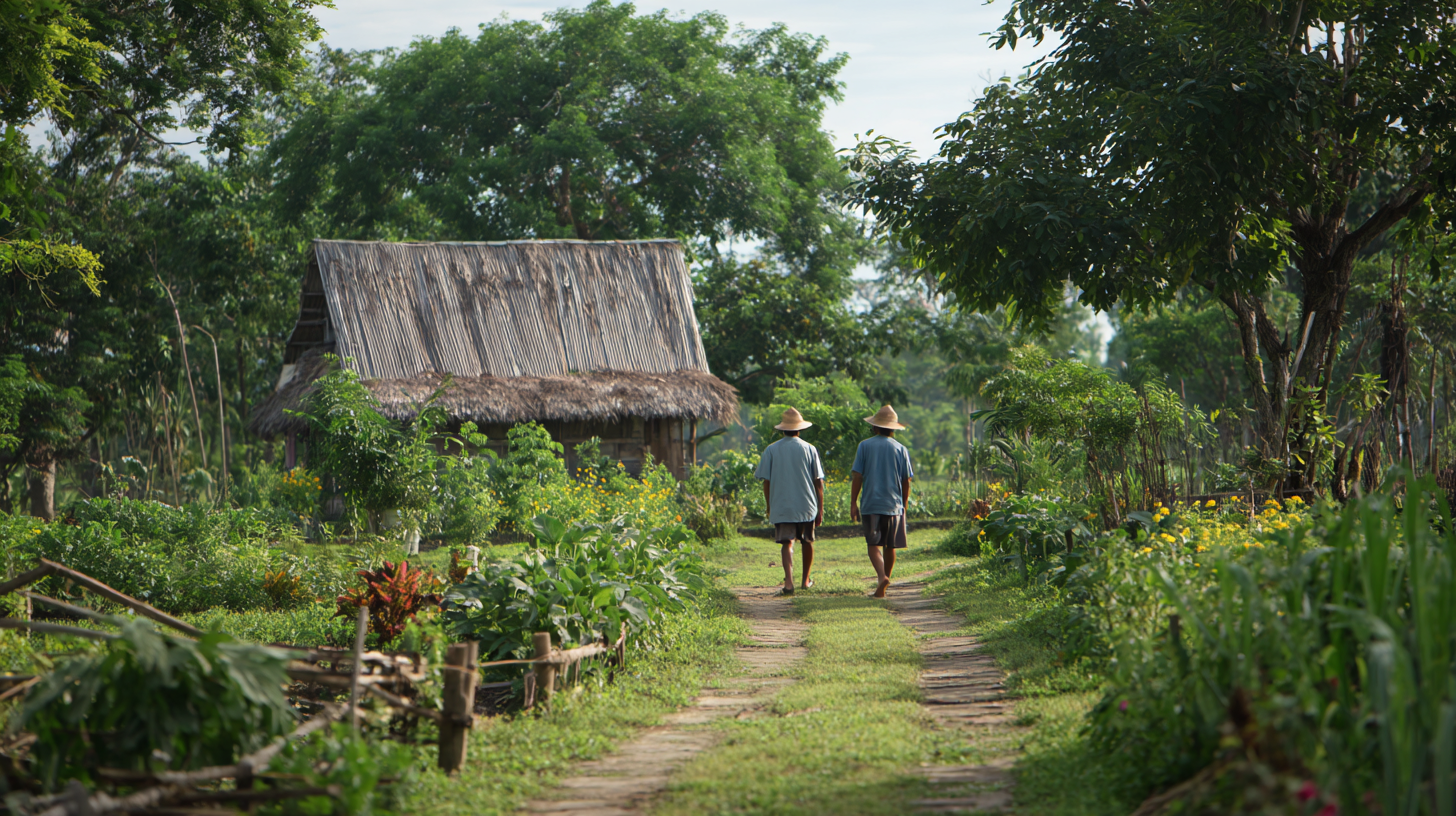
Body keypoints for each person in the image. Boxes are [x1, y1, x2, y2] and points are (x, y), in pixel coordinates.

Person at [754, 407, 825, 595]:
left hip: (782, 505)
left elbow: (766, 482)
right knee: (808, 541)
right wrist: (820, 508)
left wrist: (770, 505)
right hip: (807, 505)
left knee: (787, 543)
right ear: (799, 429)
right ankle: (805, 580)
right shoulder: (810, 449)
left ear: (782, 429)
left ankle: (789, 584)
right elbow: (819, 482)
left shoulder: (771, 450)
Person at [850, 404, 914, 598]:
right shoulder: (901, 449)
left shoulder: (865, 445)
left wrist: (854, 502)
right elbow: (906, 480)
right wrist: (904, 503)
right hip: (893, 505)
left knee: (873, 545)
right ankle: (884, 581)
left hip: (871, 503)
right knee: (890, 545)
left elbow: (858, 476)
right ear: (893, 429)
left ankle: (881, 577)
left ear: (875, 427)